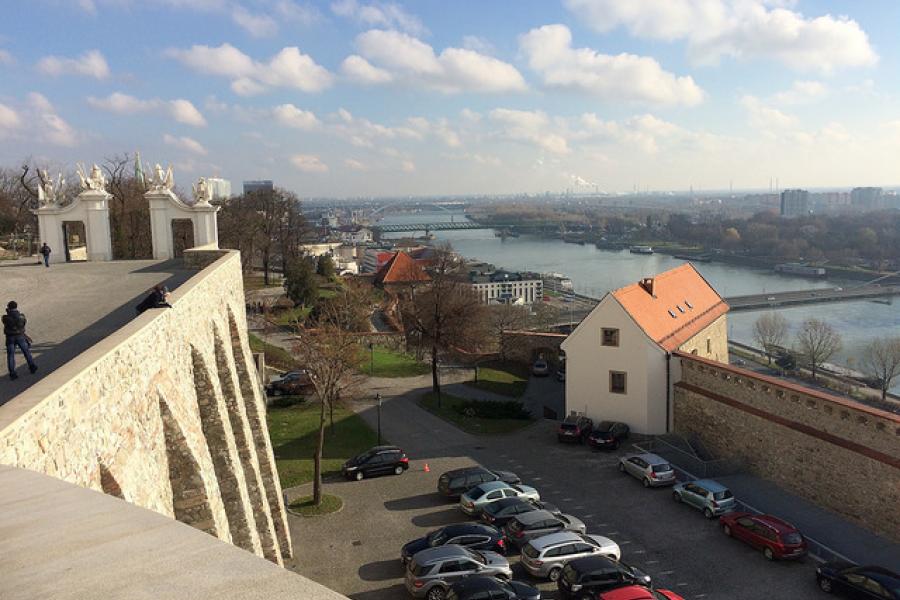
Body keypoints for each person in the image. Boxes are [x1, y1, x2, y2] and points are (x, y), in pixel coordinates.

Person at [3, 301, 37, 380]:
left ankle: (12, 373)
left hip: (10, 338)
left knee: (10, 355)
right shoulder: (21, 316)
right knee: (26, 352)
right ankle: (32, 366)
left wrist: (8, 313)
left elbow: (5, 322)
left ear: (8, 307)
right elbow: (24, 323)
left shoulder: (5, 317)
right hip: (20, 336)